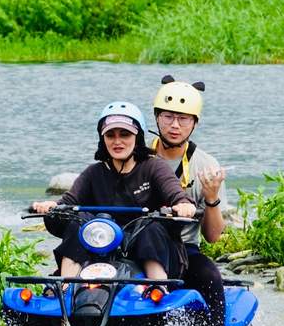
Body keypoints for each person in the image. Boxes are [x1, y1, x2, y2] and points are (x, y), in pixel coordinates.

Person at [32, 102, 195, 284]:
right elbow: (68, 201)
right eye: (110, 135)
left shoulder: (154, 167)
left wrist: (183, 204)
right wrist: (52, 207)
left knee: (151, 228)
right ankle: (66, 288)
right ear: (103, 139)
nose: (117, 141)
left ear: (137, 137)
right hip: (101, 248)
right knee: (77, 224)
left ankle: (159, 289)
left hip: (149, 246)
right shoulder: (94, 172)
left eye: (125, 134)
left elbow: (175, 192)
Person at [149, 76, 230, 326]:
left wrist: (211, 198)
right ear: (157, 118)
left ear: (194, 123)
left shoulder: (206, 166)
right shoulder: (136, 155)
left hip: (184, 249)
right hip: (136, 247)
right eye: (168, 116)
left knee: (210, 276)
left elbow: (213, 237)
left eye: (183, 119)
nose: (174, 125)